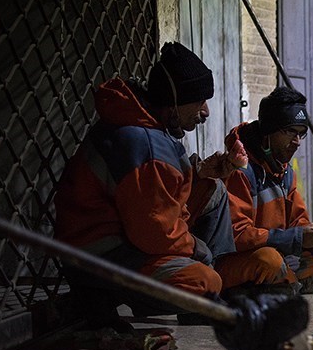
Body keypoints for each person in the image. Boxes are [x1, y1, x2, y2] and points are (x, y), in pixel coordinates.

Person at [54, 41, 246, 330]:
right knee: (204, 281)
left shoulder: (142, 125)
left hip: (119, 237)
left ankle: (208, 295)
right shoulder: (145, 143)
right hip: (99, 255)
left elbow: (154, 195)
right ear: (173, 101)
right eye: (198, 101)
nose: (205, 112)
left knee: (213, 190)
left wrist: (200, 171)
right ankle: (202, 293)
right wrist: (196, 248)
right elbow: (155, 233)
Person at [215, 86, 313, 297]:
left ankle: (284, 284)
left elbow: (298, 222)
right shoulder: (240, 170)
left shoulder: (284, 170)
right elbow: (237, 235)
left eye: (301, 134)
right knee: (268, 260)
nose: (296, 142)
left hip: (278, 250)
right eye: (290, 132)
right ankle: (293, 283)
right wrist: (295, 238)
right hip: (240, 257)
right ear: (268, 131)